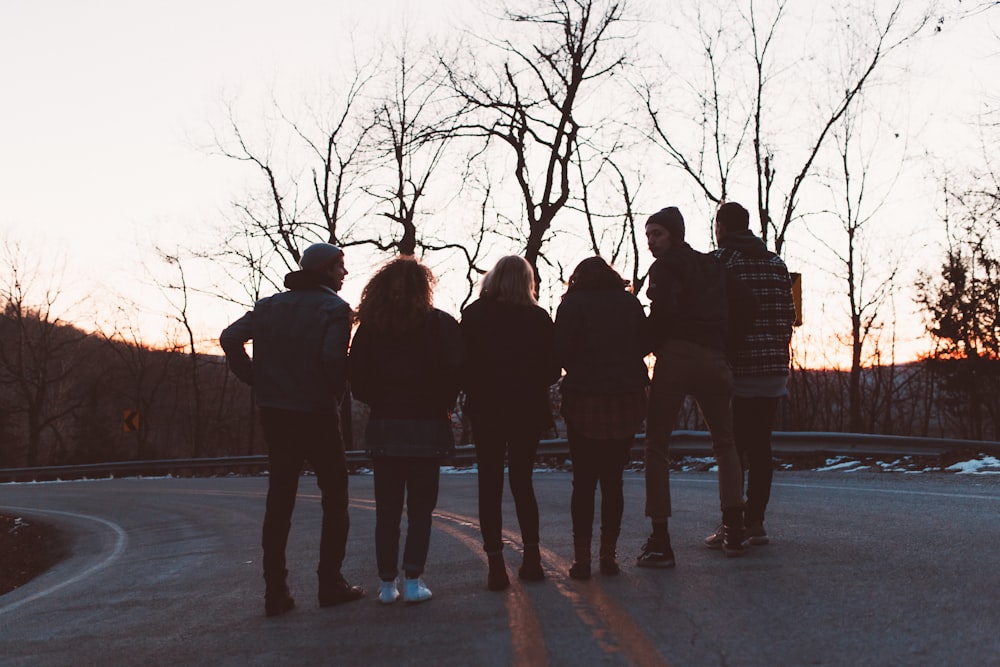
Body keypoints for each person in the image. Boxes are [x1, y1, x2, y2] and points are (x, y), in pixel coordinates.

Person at [220, 242, 365, 617]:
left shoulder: (269, 306)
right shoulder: (336, 309)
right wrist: (335, 393)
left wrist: (257, 381)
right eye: (340, 268)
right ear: (325, 271)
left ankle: (276, 592)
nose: (344, 274)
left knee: (279, 500)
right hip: (317, 413)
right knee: (335, 497)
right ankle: (330, 584)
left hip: (276, 413)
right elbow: (334, 358)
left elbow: (230, 338)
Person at [638, 207, 756, 567]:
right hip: (715, 360)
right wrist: (727, 344)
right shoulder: (712, 266)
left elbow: (662, 315)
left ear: (674, 234)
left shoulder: (665, 268)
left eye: (656, 234)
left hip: (676, 357)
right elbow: (747, 303)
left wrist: (644, 346)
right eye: (648, 235)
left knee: (657, 446)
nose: (650, 242)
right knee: (725, 443)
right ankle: (734, 528)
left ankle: (660, 541)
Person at [348, 257, 463, 605]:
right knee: (421, 510)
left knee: (387, 511)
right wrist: (440, 402)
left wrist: (381, 402)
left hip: (386, 427)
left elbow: (358, 381)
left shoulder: (370, 328)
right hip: (428, 427)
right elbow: (457, 371)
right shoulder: (440, 324)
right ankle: (413, 579)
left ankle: (387, 584)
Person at [460, 255, 561, 591]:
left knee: (489, 484)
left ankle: (496, 566)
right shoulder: (538, 317)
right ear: (526, 282)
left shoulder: (473, 316)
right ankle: (531, 559)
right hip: (526, 410)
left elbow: (462, 365)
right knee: (522, 481)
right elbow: (551, 371)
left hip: (487, 409)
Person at [703, 202, 796, 549]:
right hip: (773, 367)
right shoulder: (776, 263)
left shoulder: (722, 262)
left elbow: (713, 312)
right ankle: (756, 521)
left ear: (722, 227)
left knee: (733, 448)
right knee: (760, 446)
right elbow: (789, 314)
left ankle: (733, 523)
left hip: (738, 368)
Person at [554, 257, 650, 580]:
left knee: (582, 483)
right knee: (613, 481)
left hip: (584, 398)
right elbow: (645, 344)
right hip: (625, 399)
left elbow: (560, 350)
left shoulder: (572, 304)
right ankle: (608, 557)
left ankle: (582, 562)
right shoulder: (629, 303)